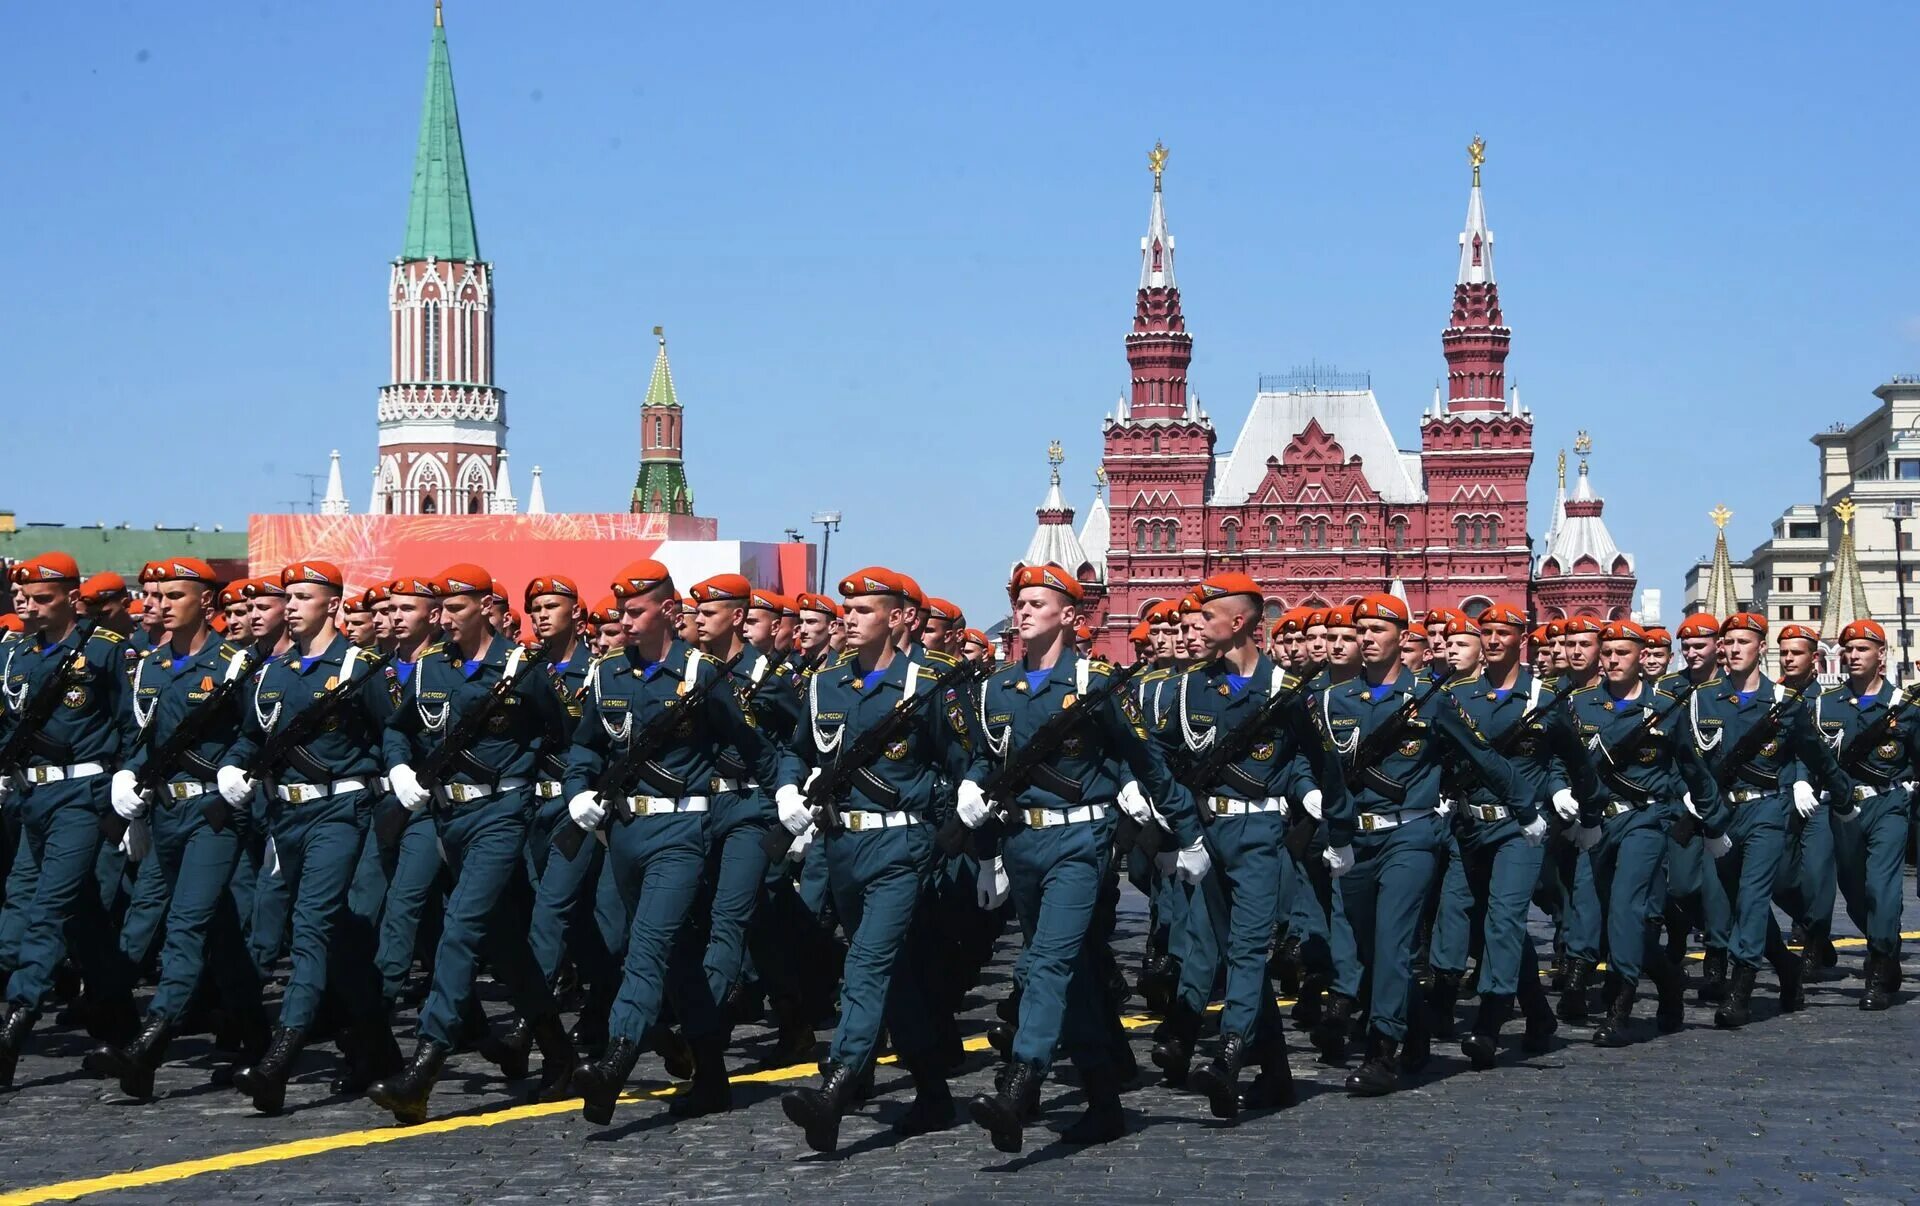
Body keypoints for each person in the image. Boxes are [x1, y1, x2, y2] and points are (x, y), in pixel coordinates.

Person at [959, 563, 1207, 1152]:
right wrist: (976, 804)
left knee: (1046, 960)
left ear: (1070, 616)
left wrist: (1187, 833)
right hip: (1022, 842)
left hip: (1080, 841)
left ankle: (1021, 1082)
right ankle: (1103, 1100)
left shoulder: (1097, 681)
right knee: (1073, 977)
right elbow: (988, 759)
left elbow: (1146, 763)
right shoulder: (996, 687)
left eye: (1037, 603)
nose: (1022, 611)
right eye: (1019, 602)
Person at [563, 561, 784, 1127]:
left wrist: (785, 798)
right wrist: (577, 791)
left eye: (635, 612)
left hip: (681, 832)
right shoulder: (608, 674)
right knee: (678, 959)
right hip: (625, 835)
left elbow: (754, 746)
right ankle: (711, 1077)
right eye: (621, 613)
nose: (625, 622)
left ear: (666, 610)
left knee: (649, 946)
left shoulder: (704, 675)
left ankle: (614, 1061)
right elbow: (586, 746)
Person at [368, 563, 576, 1125]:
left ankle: (424, 1069)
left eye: (455, 608)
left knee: (459, 931)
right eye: (440, 608)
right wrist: (400, 769)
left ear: (486, 608)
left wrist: (552, 784)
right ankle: (559, 1053)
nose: (444, 619)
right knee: (507, 945)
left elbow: (570, 732)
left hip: (503, 813)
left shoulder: (522, 668)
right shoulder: (431, 667)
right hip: (448, 818)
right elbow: (397, 728)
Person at [774, 567, 974, 1153]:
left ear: (897, 618)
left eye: (864, 612)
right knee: (894, 973)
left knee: (865, 963)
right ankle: (934, 1092)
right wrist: (789, 787)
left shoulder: (932, 683)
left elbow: (968, 759)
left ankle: (836, 1083)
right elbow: (798, 750)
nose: (850, 621)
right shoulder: (826, 684)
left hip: (900, 845)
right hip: (842, 848)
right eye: (848, 611)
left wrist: (976, 832)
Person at [210, 561, 406, 1109]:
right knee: (340, 941)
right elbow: (250, 736)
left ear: (332, 604)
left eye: (302, 596)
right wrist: (234, 765)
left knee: (312, 926)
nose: (290, 605)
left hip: (342, 811)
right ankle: (377, 1051)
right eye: (287, 597)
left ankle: (282, 1055)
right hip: (285, 818)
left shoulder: (361, 668)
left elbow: (394, 732)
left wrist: (399, 778)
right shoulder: (272, 673)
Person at [1319, 593, 1525, 1095]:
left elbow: (1481, 755)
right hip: (1354, 841)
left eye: (1377, 631)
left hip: (1411, 835)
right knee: (1371, 951)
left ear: (1400, 637)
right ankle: (1413, 1030)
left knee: (1393, 943)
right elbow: (1315, 767)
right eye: (1359, 630)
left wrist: (1527, 806)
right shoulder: (1331, 700)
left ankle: (1381, 1053)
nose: (1366, 639)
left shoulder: (1431, 699)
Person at [1156, 573, 1340, 1120]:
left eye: (1207, 617)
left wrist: (1312, 798)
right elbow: (1162, 754)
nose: (1195, 626)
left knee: (1247, 947)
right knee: (1224, 946)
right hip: (1205, 831)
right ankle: (1278, 1073)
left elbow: (1312, 756)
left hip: (1260, 833)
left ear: (1238, 623)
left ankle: (1230, 1055)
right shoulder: (1190, 686)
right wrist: (1165, 821)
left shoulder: (1285, 688)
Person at [1425, 605, 1595, 1067]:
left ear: (1521, 638)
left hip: (1522, 827)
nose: (1495, 639)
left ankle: (1491, 1017)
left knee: (1503, 917)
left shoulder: (1545, 697)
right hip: (1467, 823)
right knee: (1464, 914)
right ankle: (1538, 1013)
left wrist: (1586, 810)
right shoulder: (1457, 695)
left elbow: (1576, 761)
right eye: (1488, 632)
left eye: (1504, 632)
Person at [0, 554, 139, 1088]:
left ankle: (16, 1021)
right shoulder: (16, 656)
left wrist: (127, 786)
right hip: (32, 795)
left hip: (83, 794)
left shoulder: (103, 651)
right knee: (72, 914)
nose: (30, 607)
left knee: (49, 910)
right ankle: (121, 1019)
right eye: (25, 599)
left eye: (42, 599)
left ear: (70, 598)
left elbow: (132, 724)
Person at [1565, 620, 1726, 1045]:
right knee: (1592, 911)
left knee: (1626, 908)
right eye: (1609, 653)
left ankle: (1620, 1006)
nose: (1614, 660)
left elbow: (1694, 769)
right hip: (1595, 823)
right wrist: (1558, 794)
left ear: (1641, 658)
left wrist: (1713, 824)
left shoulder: (1667, 707)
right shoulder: (1580, 705)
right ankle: (1668, 978)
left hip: (1645, 820)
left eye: (1623, 653)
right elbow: (1554, 762)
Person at [1692, 612, 1850, 1027]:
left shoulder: (1785, 702)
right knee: (1728, 902)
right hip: (1722, 812)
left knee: (1753, 896)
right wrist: (1695, 802)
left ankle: (1741, 990)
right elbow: (1689, 758)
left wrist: (1827, 789)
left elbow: (1813, 754)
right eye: (1728, 643)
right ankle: (1786, 968)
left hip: (1766, 810)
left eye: (1744, 642)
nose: (1734, 650)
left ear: (1760, 647)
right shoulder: (1703, 698)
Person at [1810, 619, 1914, 1010]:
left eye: (1862, 650)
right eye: (1849, 650)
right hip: (1844, 808)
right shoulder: (1826, 704)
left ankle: (1880, 964)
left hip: (1888, 803)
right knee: (1854, 893)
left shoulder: (1904, 706)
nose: (1853, 656)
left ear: (1881, 655)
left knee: (1881, 889)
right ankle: (1884, 943)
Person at [1772, 622, 1839, 976]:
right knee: (1779, 876)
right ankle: (1810, 924)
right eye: (1783, 653)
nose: (1788, 659)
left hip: (1820, 799)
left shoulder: (1832, 699)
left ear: (1814, 658)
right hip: (1781, 797)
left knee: (1816, 874)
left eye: (1796, 653)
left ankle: (1814, 940)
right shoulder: (1773, 696)